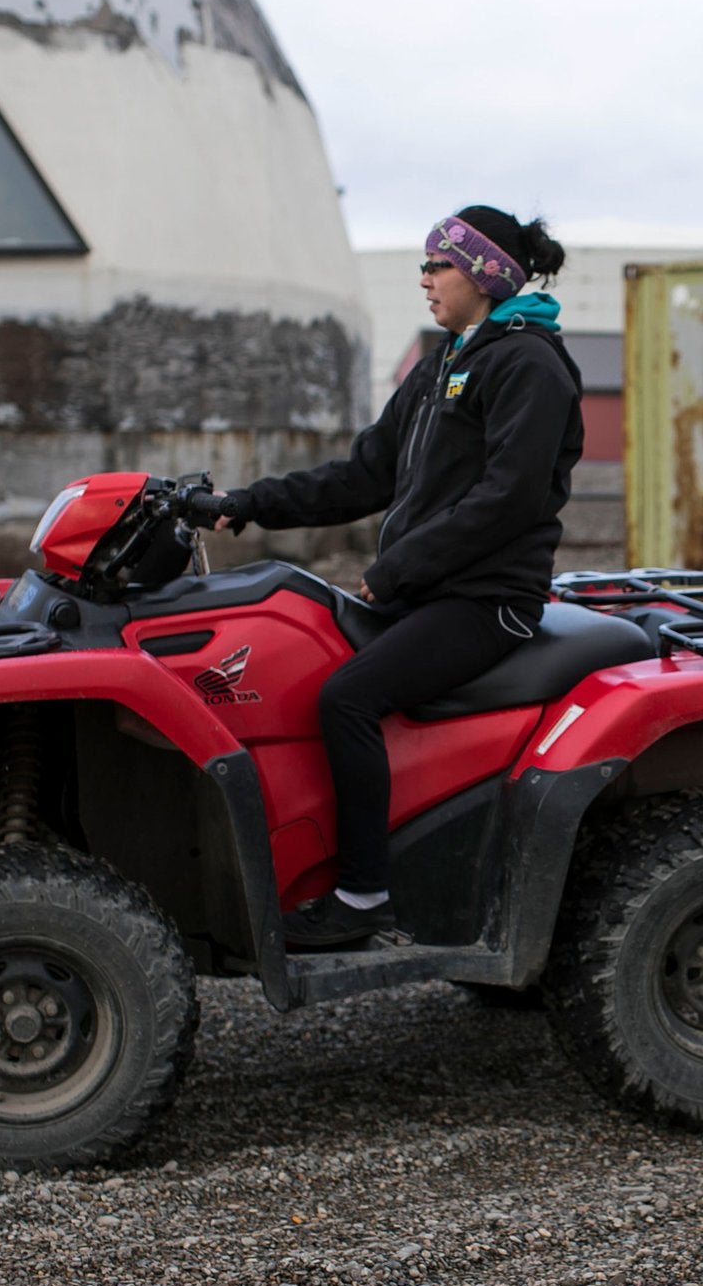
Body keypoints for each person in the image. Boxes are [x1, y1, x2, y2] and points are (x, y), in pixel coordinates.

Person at [216, 206, 582, 948]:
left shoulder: (529, 364)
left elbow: (507, 498)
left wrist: (396, 567)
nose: (424, 279)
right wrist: (244, 503)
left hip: (488, 600)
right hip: (429, 590)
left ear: (484, 273)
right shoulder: (445, 361)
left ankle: (361, 895)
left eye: (438, 265)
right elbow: (363, 475)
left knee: (348, 697)